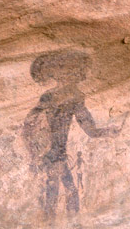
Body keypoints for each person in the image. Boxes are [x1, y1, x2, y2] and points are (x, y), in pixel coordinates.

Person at [22, 50, 121, 220]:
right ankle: (59, 224)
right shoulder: (66, 97)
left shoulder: (69, 96)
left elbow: (89, 128)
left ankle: (55, 224)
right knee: (63, 189)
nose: (79, 76)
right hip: (52, 152)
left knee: (59, 188)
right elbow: (90, 129)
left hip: (55, 152)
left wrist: (106, 132)